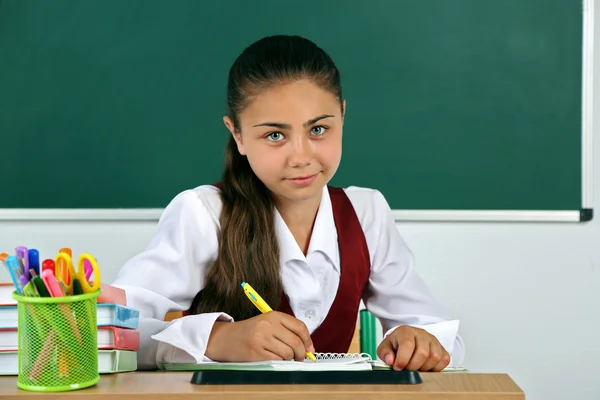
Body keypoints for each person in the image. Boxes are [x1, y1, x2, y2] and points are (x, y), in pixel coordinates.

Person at [112, 34, 465, 371]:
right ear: (238, 135)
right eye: (275, 135)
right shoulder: (205, 213)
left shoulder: (367, 213)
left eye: (318, 130)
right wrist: (216, 339)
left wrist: (421, 342)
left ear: (342, 115)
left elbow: (445, 338)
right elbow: (110, 332)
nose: (301, 156)